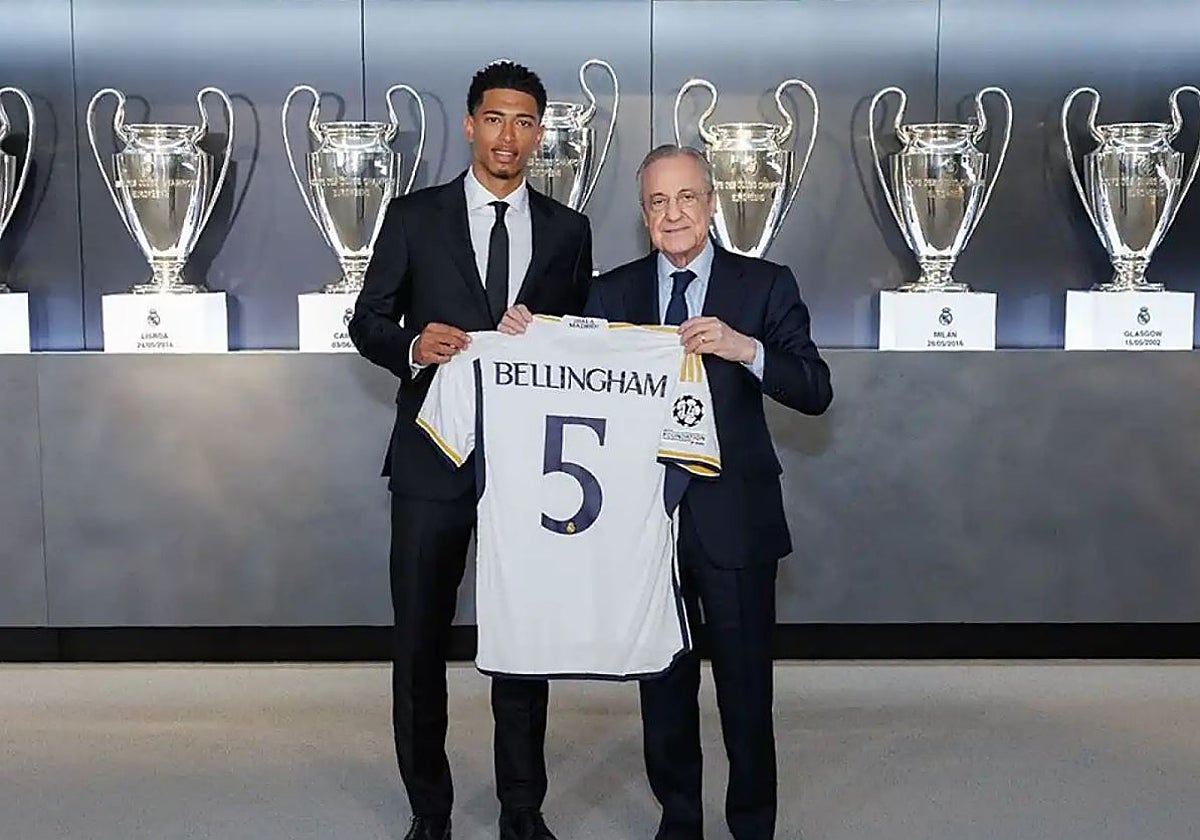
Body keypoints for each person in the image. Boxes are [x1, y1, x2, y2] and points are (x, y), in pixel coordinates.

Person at [348, 60, 592, 840]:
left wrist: (550, 335)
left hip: (530, 467)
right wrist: (415, 344)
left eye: (524, 121)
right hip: (432, 456)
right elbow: (367, 319)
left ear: (540, 132)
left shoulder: (567, 230)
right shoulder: (414, 216)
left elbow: (578, 346)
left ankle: (523, 809)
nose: (508, 136)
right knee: (419, 640)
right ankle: (431, 810)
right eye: (495, 119)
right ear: (469, 124)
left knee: (523, 640)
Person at [587, 144, 832, 840]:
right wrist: (521, 336)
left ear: (712, 202)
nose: (674, 214)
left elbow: (815, 389)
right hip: (646, 527)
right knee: (663, 690)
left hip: (737, 523)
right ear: (644, 215)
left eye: (687, 197)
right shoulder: (612, 293)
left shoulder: (765, 285)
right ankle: (680, 821)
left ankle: (752, 825)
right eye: (659, 202)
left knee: (746, 693)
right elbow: (574, 382)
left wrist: (744, 348)